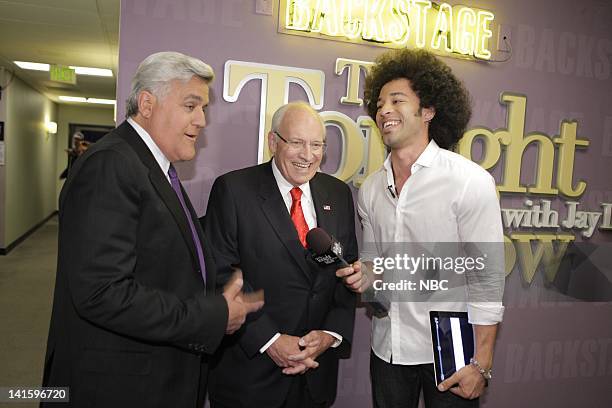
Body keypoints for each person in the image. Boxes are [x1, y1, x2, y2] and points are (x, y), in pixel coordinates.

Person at [41, 51, 262, 407]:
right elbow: (102, 293)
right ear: (147, 103)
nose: (202, 120)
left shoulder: (153, 168)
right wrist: (214, 316)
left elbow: (164, 259)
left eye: (203, 108)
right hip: (117, 388)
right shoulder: (110, 166)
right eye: (191, 106)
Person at [336, 49, 505, 407]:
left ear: (427, 111)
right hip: (388, 346)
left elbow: (487, 279)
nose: (384, 110)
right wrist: (364, 278)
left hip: (450, 348)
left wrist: (483, 363)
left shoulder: (468, 181)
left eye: (397, 100)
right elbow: (374, 267)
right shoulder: (370, 189)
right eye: (380, 103)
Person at [203, 101, 358, 408]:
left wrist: (330, 334)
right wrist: (270, 339)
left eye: (317, 145)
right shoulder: (234, 190)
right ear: (273, 142)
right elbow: (220, 273)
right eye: (297, 142)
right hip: (250, 375)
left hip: (315, 375)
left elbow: (345, 273)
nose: (308, 155)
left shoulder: (338, 194)